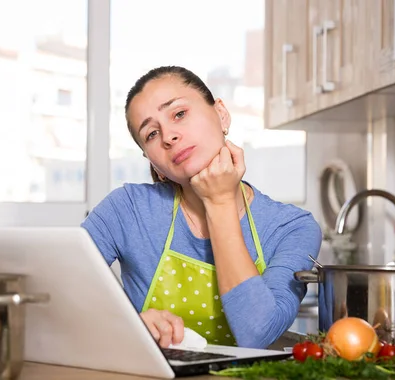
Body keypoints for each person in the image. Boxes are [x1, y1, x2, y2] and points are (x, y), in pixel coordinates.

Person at [81, 66, 322, 349]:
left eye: (179, 114)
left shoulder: (291, 228)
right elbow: (57, 294)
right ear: (152, 162)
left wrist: (219, 202)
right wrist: (127, 324)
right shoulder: (127, 210)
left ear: (221, 114)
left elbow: (258, 332)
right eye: (151, 134)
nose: (168, 136)